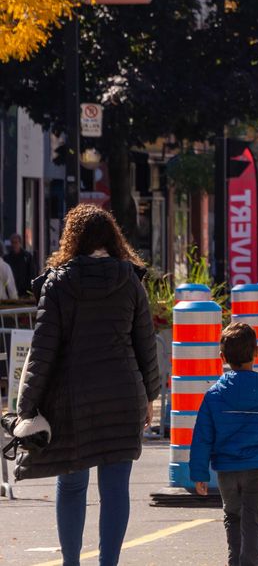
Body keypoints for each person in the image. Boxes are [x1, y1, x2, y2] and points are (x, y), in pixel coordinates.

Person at [13, 204, 161, 566]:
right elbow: (146, 344)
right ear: (113, 236)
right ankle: (108, 562)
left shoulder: (58, 283)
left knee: (72, 484)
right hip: (123, 396)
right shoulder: (130, 280)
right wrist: (150, 396)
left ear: (72, 238)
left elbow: (42, 351)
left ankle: (71, 563)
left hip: (72, 400)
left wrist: (26, 409)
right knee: (115, 490)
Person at [190, 323, 258, 566]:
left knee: (232, 517)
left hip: (226, 469)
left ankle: (234, 561)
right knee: (254, 521)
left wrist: (199, 473)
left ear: (222, 357)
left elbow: (202, 437)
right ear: (256, 352)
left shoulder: (214, 394)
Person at [4, 233, 35, 297]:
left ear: (20, 243)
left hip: (25, 291)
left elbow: (32, 273)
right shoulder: (7, 258)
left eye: (16, 243)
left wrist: (30, 289)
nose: (14, 245)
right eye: (12, 243)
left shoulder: (27, 257)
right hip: (11, 290)